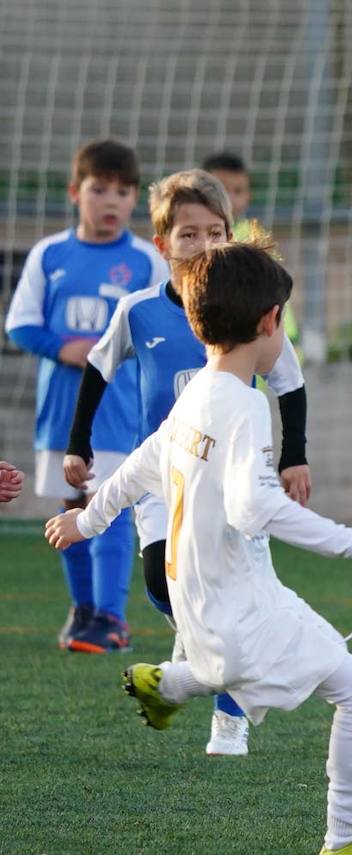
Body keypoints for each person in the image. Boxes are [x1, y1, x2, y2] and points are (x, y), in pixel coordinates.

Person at [44, 240, 352, 855]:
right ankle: (346, 842)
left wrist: (87, 519)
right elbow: (255, 509)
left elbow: (142, 461)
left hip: (196, 599)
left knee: (226, 668)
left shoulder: (193, 393)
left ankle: (164, 683)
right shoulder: (247, 406)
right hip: (243, 605)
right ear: (271, 321)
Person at [65, 169, 313, 756]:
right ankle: (195, 654)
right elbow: (98, 370)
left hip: (236, 477)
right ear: (162, 244)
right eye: (188, 234)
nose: (202, 245)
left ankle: (229, 719)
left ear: (231, 235)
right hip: (165, 477)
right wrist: (79, 444)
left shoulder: (255, 310)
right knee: (161, 583)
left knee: (235, 591)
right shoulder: (139, 310)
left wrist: (294, 458)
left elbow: (290, 382)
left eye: (215, 232)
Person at [4, 139, 167, 653]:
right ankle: (84, 612)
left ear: (136, 198)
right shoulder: (49, 254)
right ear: (76, 192)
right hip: (61, 412)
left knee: (110, 504)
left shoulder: (146, 260)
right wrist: (65, 348)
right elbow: (19, 325)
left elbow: (167, 321)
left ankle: (113, 618)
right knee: (71, 502)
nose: (111, 202)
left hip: (120, 411)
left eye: (123, 192)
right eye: (99, 190)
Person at [202, 151, 299, 344]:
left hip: (258, 342)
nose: (229, 198)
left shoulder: (255, 239)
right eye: (221, 189)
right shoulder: (192, 239)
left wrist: (288, 337)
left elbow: (275, 291)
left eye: (238, 191)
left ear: (248, 196)